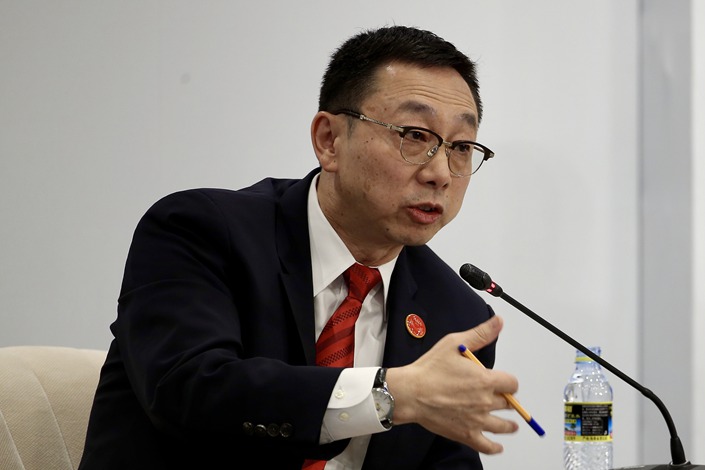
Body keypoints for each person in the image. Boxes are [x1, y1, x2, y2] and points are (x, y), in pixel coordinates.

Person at [78, 25, 520, 470]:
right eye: (415, 135)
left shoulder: (458, 317)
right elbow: (189, 391)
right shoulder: (200, 231)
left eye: (461, 147)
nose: (440, 173)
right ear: (330, 141)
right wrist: (389, 395)